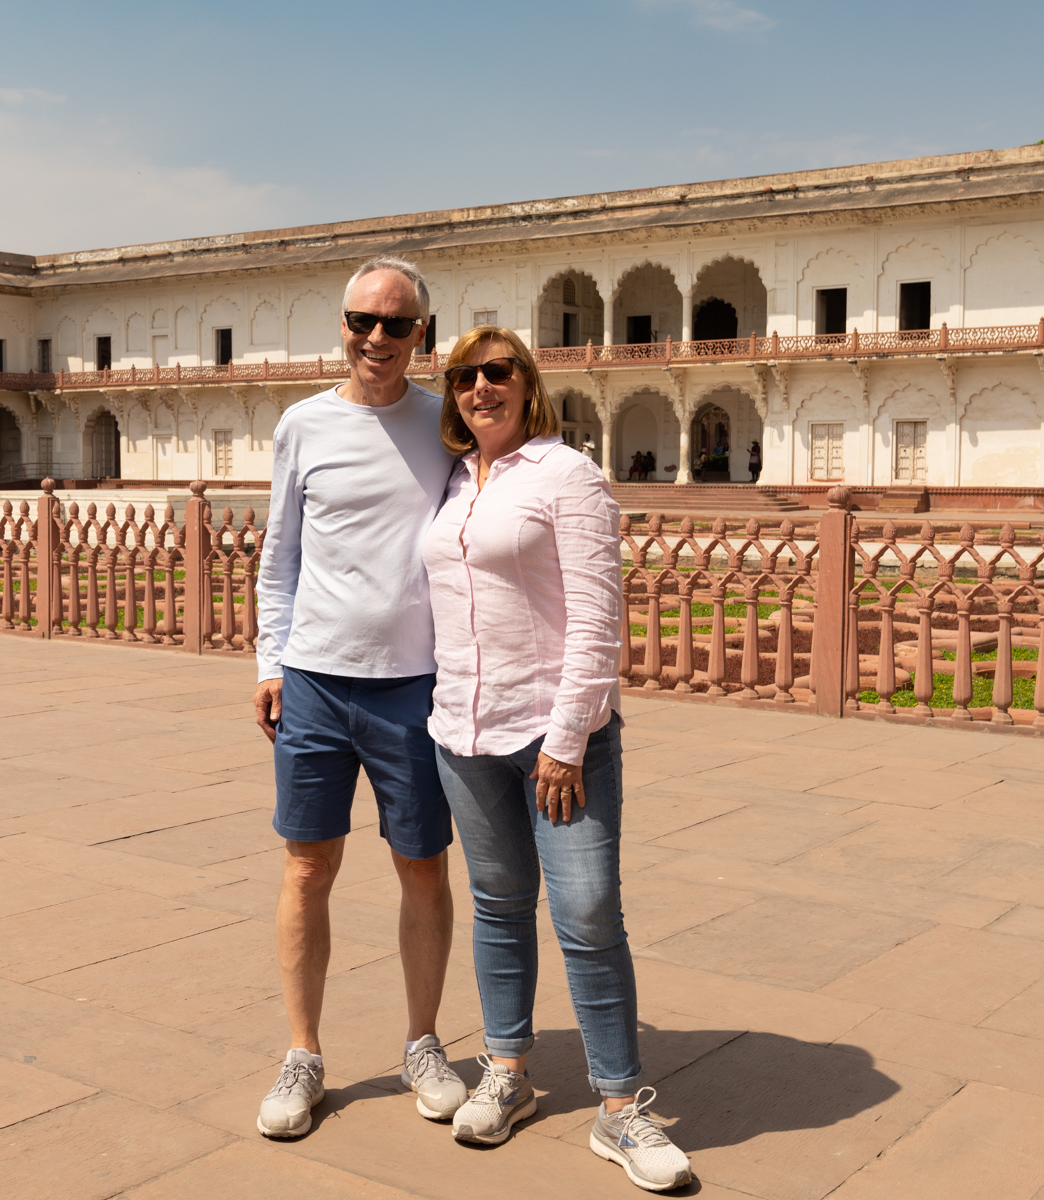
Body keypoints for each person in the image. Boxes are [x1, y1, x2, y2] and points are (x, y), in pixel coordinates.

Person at [425, 325, 692, 1192]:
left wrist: (569, 740)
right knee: (498, 907)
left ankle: (620, 1107)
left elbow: (596, 615)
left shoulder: (566, 473)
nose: (479, 389)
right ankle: (507, 1071)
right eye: (464, 376)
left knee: (587, 915)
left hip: (553, 737)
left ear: (526, 382)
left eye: (496, 373)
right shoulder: (454, 480)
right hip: (464, 731)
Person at [252, 256, 465, 1139]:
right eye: (362, 321)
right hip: (314, 678)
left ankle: (422, 1041)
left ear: (424, 333)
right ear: (341, 325)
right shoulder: (302, 425)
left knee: (421, 865)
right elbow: (281, 555)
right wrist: (269, 662)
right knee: (308, 868)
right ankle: (302, 1053)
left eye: (397, 324)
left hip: (413, 685)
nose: (377, 338)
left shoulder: (444, 424)